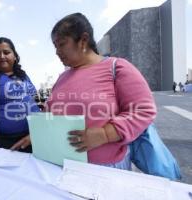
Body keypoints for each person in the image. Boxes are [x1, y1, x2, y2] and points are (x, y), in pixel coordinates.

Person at [46, 13, 157, 170]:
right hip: (62, 165)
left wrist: (105, 134)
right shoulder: (62, 77)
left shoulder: (117, 67)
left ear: (83, 40)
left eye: (62, 44)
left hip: (106, 169)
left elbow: (144, 111)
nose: (57, 52)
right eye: (55, 47)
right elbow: (49, 111)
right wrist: (39, 133)